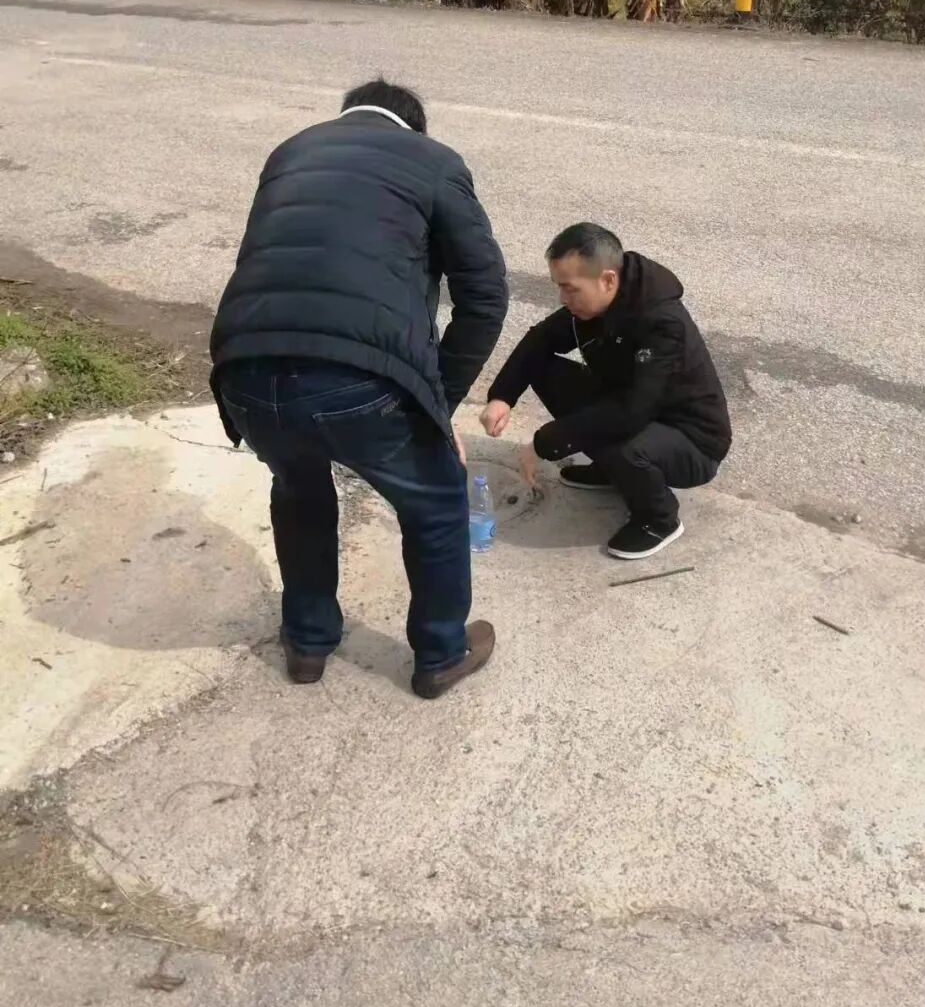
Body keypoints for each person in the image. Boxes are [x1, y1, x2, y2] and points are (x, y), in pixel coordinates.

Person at [210, 78, 508, 699]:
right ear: (414, 128)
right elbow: (484, 298)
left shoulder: (291, 150)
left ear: (348, 117)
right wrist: (437, 406)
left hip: (244, 369)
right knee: (435, 503)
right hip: (357, 375)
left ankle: (307, 642)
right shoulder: (435, 162)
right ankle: (440, 654)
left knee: (299, 489)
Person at [480, 223, 730, 559]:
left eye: (570, 289)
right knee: (544, 368)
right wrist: (502, 397)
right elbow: (541, 339)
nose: (563, 299)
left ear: (608, 280)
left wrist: (544, 443)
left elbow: (631, 412)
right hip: (638, 411)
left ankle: (658, 519)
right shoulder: (594, 305)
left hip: (693, 442)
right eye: (559, 287)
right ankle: (613, 471)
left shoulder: (662, 323)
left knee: (627, 444)